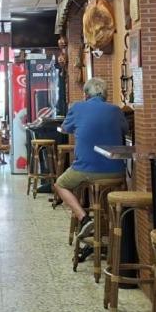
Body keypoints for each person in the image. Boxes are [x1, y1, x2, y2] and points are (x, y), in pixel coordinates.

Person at [52, 77, 127, 235]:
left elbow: (65, 129)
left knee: (60, 184)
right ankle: (105, 227)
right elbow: (124, 129)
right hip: (117, 172)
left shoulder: (77, 108)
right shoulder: (116, 110)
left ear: (86, 95)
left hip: (86, 170)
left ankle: (84, 218)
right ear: (105, 95)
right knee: (99, 189)